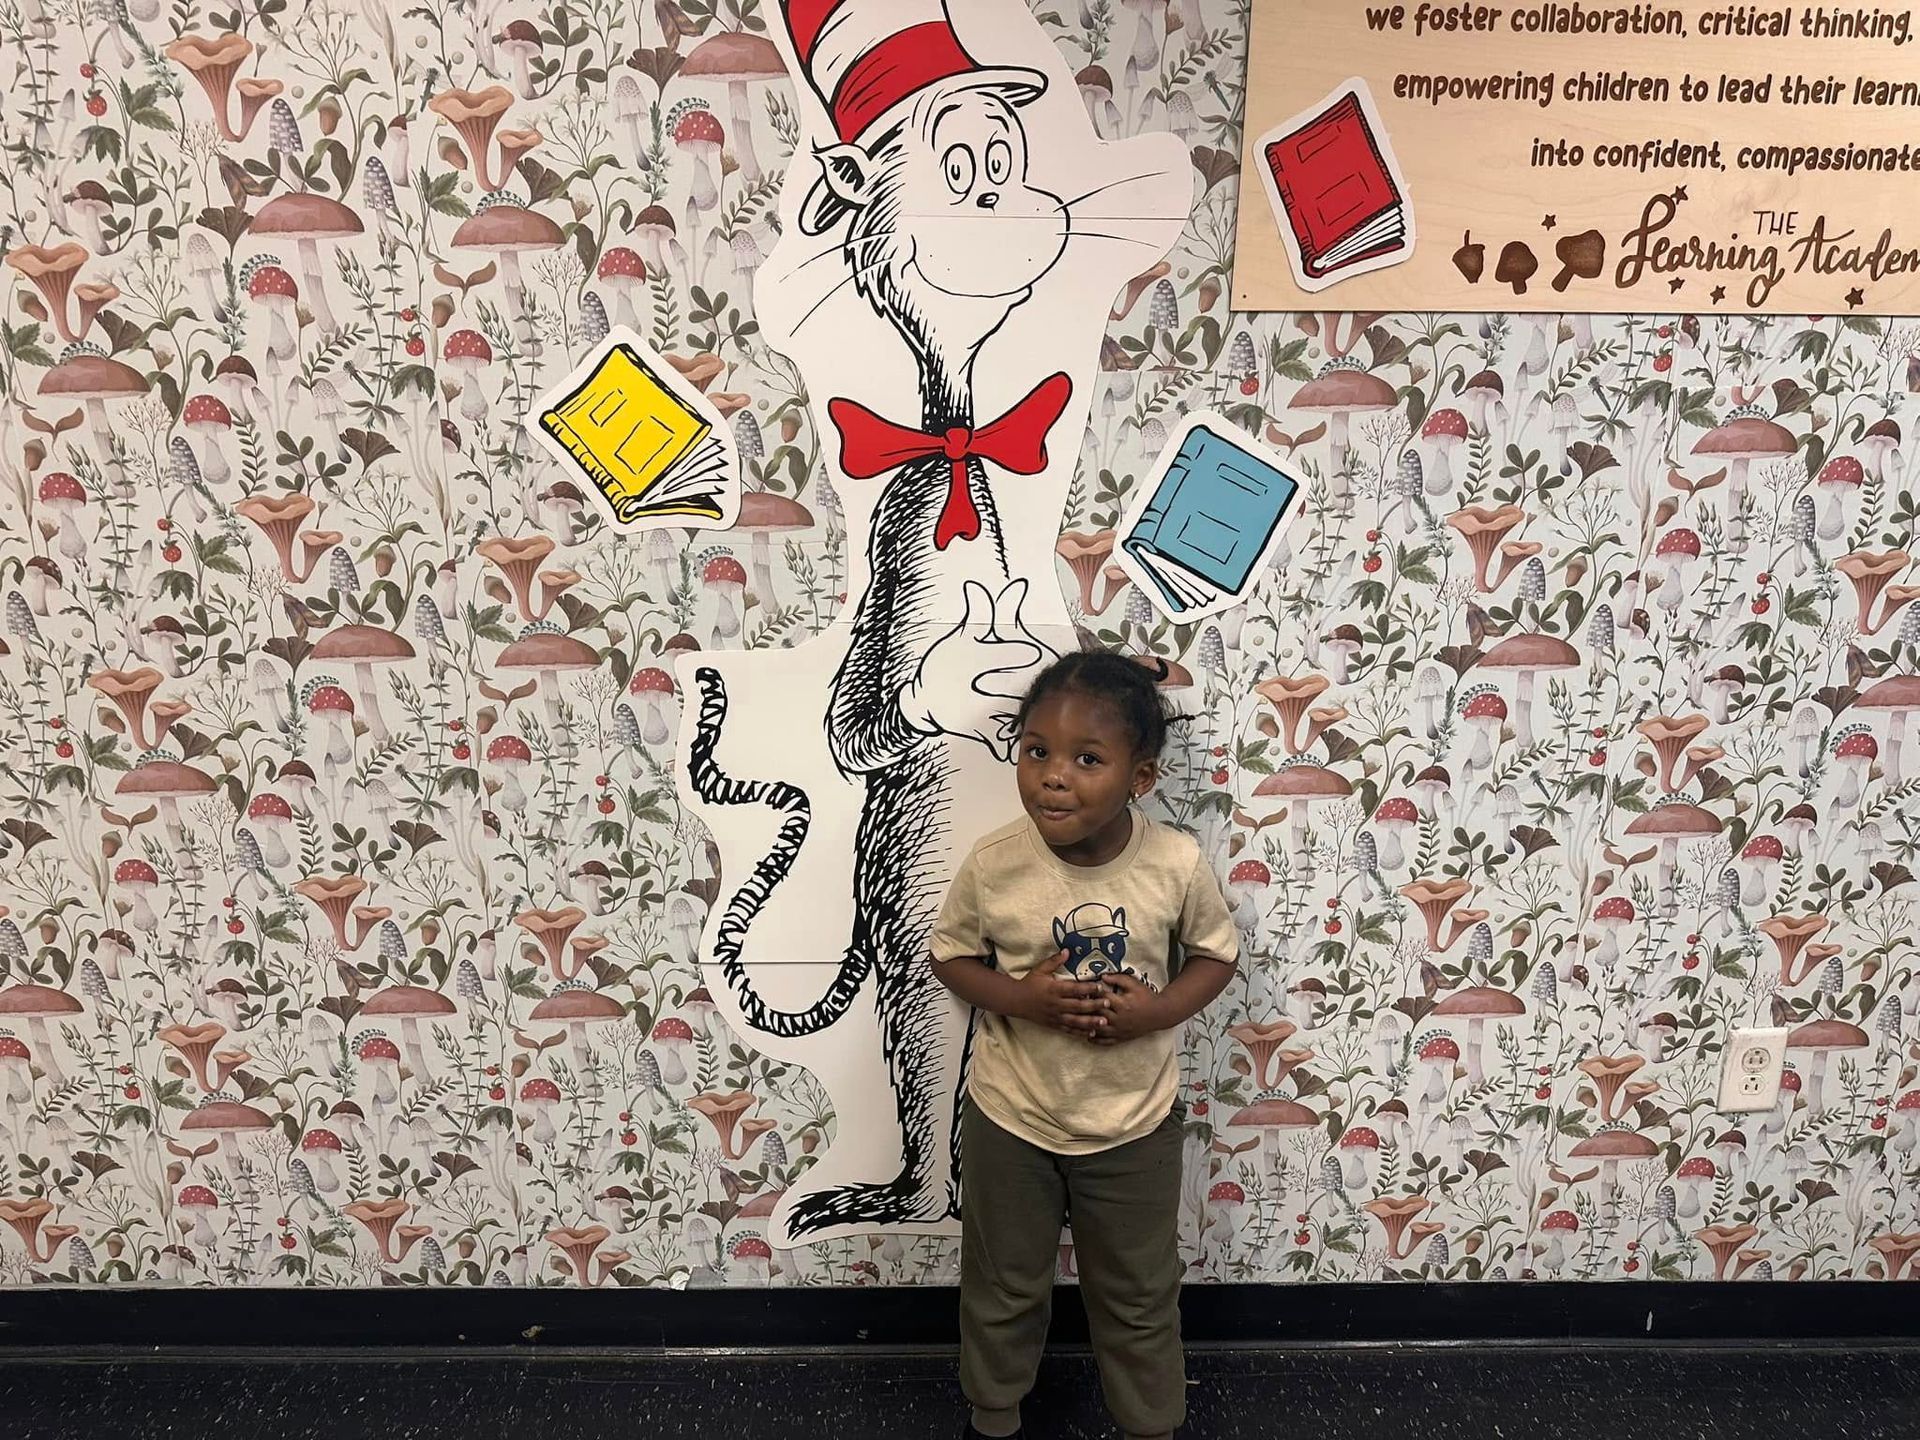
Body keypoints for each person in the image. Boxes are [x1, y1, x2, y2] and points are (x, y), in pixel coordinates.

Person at [930, 648, 1241, 1440]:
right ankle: (993, 1414)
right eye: (1035, 751)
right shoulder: (996, 864)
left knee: (1138, 1293)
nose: (1052, 776)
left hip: (1133, 1125)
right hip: (1013, 1117)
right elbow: (951, 956)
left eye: (1086, 759)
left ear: (1139, 778)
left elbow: (1216, 954)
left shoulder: (1173, 863)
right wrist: (1024, 998)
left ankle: (1151, 1422)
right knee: (1003, 1287)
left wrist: (1157, 1011)